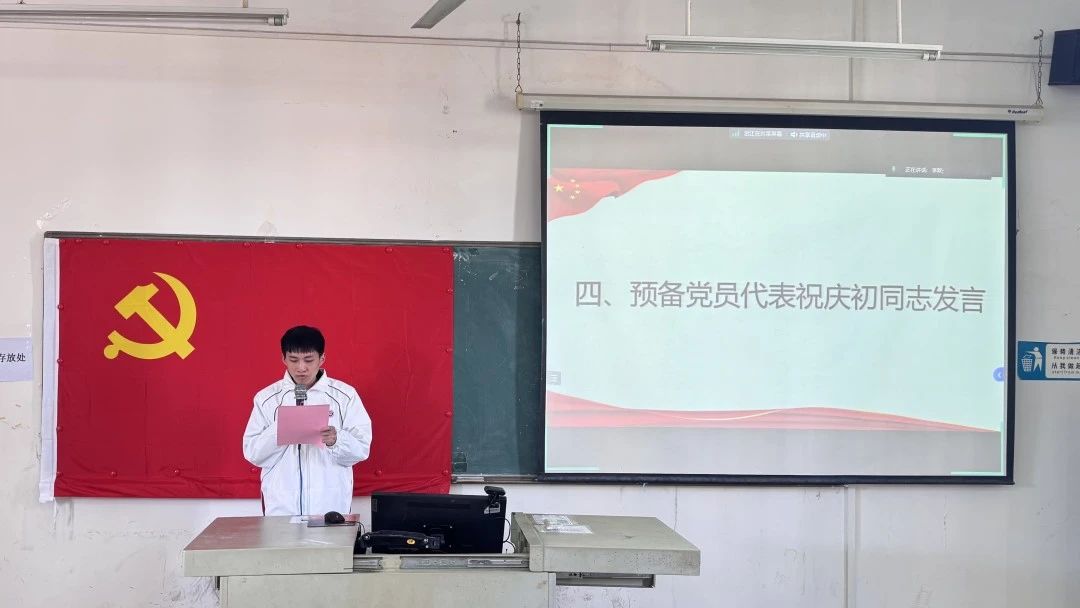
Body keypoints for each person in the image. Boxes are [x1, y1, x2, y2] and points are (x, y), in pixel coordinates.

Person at [243, 325, 373, 516]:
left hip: (330, 506)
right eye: (293, 360)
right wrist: (281, 428)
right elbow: (253, 453)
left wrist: (337, 440)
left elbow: (361, 449)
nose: (301, 368)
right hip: (281, 507)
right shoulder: (267, 399)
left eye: (309, 360)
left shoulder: (345, 396)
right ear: (283, 359)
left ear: (322, 358)